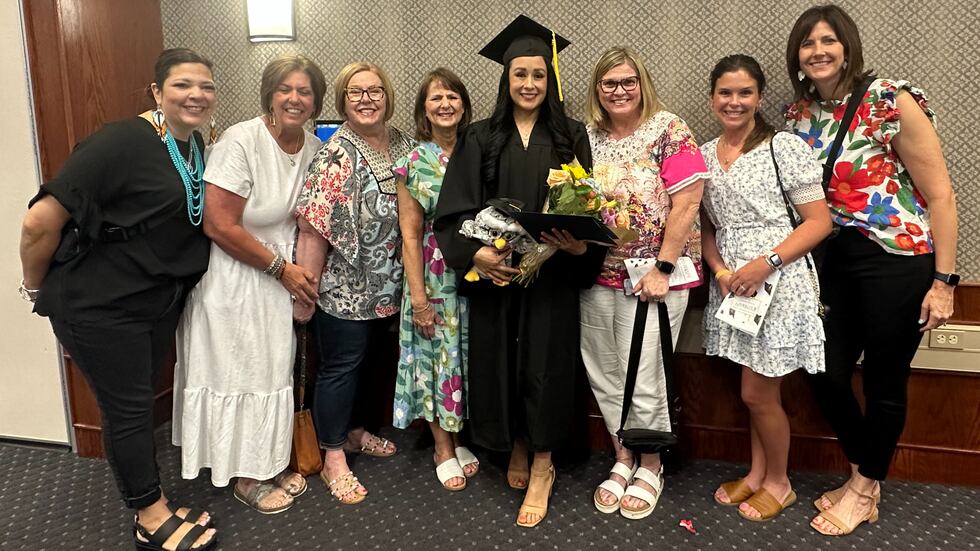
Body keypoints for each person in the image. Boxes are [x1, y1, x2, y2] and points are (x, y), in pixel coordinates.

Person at [18, 48, 218, 550]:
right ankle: (149, 516)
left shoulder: (193, 145)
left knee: (137, 403)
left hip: (152, 300)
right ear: (156, 92)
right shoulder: (120, 141)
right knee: (127, 410)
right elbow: (38, 221)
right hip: (100, 303)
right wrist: (36, 288)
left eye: (206, 87)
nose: (196, 95)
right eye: (181, 85)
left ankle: (153, 499)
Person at [785, 5, 959, 536]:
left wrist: (945, 283)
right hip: (832, 261)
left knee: (885, 380)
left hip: (896, 260)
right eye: (807, 42)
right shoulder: (800, 115)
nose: (817, 50)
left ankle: (862, 488)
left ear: (847, 46)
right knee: (824, 371)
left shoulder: (890, 98)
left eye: (828, 40)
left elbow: (941, 195)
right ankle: (867, 473)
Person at [433, 15, 603, 528]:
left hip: (550, 279)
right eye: (519, 75)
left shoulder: (572, 135)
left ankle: (545, 464)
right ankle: (516, 447)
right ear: (505, 80)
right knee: (502, 363)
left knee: (545, 366)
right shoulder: (480, 137)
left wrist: (576, 245)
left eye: (539, 76)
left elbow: (588, 209)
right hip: (497, 279)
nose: (529, 84)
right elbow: (453, 211)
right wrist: (475, 256)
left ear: (550, 81)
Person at [172, 54, 326, 513]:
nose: (294, 99)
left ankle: (269, 460)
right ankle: (242, 475)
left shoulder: (316, 147)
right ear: (269, 95)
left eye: (304, 91)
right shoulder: (240, 140)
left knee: (271, 370)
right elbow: (219, 225)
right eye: (285, 89)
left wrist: (297, 275)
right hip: (236, 277)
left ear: (315, 100)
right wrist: (280, 269)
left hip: (280, 278)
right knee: (240, 372)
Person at [700, 54, 832, 522]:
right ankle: (757, 475)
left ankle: (781, 482)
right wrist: (718, 271)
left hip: (779, 279)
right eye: (725, 93)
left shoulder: (784, 147)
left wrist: (766, 262)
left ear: (758, 97)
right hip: (732, 287)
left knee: (759, 393)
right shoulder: (702, 155)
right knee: (751, 389)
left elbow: (820, 223)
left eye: (745, 93)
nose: (734, 102)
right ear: (712, 96)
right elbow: (707, 227)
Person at [581, 46, 707, 520]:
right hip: (597, 275)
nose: (619, 90)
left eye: (628, 81)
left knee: (649, 374)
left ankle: (652, 462)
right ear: (597, 89)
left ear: (642, 83)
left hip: (656, 277)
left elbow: (688, 202)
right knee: (605, 369)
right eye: (609, 83)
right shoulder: (587, 137)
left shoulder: (668, 130)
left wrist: (664, 267)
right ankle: (622, 456)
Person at [294, 61, 414, 505]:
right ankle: (332, 457)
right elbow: (312, 226)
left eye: (375, 90)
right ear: (343, 100)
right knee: (342, 367)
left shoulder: (403, 142)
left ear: (387, 97)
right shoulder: (336, 152)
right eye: (356, 92)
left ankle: (357, 433)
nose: (366, 99)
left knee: (376, 363)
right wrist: (304, 294)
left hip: (394, 286)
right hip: (345, 288)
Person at [392, 68, 477, 491]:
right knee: (434, 358)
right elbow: (409, 233)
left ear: (463, 104)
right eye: (435, 98)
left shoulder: (478, 150)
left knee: (461, 358)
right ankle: (442, 446)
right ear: (424, 109)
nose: (445, 104)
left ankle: (460, 437)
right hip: (433, 276)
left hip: (477, 275)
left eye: (452, 97)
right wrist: (420, 298)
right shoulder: (414, 161)